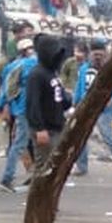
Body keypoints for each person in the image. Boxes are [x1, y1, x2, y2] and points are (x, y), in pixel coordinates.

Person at [73, 40, 112, 177]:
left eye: (100, 54)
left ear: (105, 54)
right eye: (95, 54)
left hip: (104, 109)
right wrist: (75, 104)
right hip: (85, 107)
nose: (97, 57)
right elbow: (79, 87)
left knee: (108, 138)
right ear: (90, 54)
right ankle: (81, 167)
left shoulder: (111, 69)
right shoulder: (84, 69)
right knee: (80, 137)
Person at [25, 33, 73, 173]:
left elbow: (60, 98)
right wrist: (39, 129)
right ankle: (38, 194)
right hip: (45, 129)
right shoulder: (37, 74)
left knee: (54, 168)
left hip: (57, 127)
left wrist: (69, 102)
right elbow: (32, 104)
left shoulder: (52, 73)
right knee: (43, 170)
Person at [0, 38, 37, 191]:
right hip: (29, 109)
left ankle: (34, 175)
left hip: (19, 108)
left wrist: (1, 106)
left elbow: (4, 89)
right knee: (22, 144)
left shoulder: (11, 66)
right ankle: (6, 179)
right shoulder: (32, 64)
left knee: (23, 143)